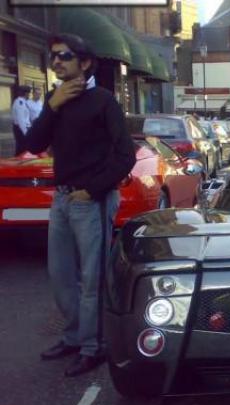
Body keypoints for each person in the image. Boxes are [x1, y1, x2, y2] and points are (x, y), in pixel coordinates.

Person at [26, 34, 136, 377]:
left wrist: (93, 189)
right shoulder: (55, 99)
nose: (57, 61)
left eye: (65, 56)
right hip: (61, 199)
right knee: (61, 275)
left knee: (92, 279)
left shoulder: (103, 101)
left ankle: (94, 346)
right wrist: (52, 106)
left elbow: (125, 156)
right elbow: (32, 143)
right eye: (54, 56)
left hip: (91, 201)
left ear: (85, 62)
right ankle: (74, 337)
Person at [11, 85, 31, 155]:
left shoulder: (23, 102)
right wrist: (26, 133)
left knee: (23, 148)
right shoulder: (20, 103)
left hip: (23, 128)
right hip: (21, 129)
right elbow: (21, 119)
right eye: (29, 93)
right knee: (22, 149)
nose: (29, 95)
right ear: (25, 94)